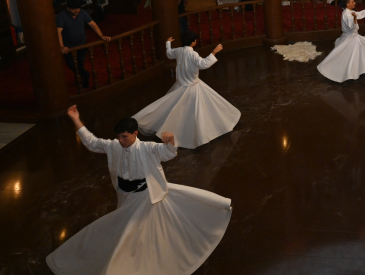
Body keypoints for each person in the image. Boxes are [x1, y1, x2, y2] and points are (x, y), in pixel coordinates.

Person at [46, 106, 232, 274]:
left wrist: (170, 140)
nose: (120, 140)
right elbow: (91, 142)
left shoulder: (148, 148)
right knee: (127, 228)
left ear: (135, 133)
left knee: (138, 230)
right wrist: (76, 119)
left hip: (146, 196)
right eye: (118, 137)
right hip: (125, 197)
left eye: (124, 137)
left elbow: (167, 153)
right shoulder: (114, 146)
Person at [133, 32, 241, 149]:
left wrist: (168, 43)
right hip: (192, 87)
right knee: (195, 110)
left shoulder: (179, 51)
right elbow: (203, 64)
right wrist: (214, 52)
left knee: (176, 109)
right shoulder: (193, 54)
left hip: (180, 85)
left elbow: (169, 54)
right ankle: (195, 135)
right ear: (194, 41)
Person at [317, 0, 365, 82]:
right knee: (353, 55)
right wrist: (355, 18)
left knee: (347, 55)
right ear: (347, 4)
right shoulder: (349, 15)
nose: (355, 3)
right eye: (352, 2)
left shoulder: (346, 11)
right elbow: (353, 28)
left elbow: (357, 14)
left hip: (347, 37)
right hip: (352, 39)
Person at [57, 0, 111, 89]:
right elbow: (59, 31)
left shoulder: (82, 13)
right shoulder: (61, 16)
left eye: (78, 8)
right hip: (69, 46)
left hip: (82, 44)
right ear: (68, 8)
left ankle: (83, 81)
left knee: (80, 64)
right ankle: (85, 75)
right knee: (71, 64)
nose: (77, 11)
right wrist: (62, 46)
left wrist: (101, 36)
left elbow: (93, 24)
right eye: (74, 9)